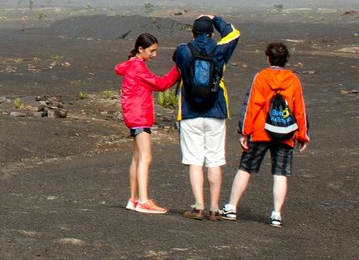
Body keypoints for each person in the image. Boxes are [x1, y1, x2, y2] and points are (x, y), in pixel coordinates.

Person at [220, 41, 308, 227]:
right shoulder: (293, 80)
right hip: (285, 132)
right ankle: (276, 213)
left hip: (260, 131)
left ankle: (231, 207)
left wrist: (244, 132)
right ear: (285, 60)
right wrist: (302, 135)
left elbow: (252, 105)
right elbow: (299, 109)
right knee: (280, 173)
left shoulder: (261, 77)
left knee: (245, 168)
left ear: (268, 58)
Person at [172, 13, 240, 219]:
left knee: (194, 160)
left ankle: (198, 206)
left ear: (193, 33)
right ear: (211, 33)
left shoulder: (183, 50)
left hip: (190, 111)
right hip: (216, 110)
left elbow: (178, 64)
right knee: (215, 160)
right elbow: (234, 34)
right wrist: (217, 19)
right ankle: (214, 207)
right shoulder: (220, 49)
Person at [114, 32, 179, 214]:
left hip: (133, 116)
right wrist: (178, 69)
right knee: (146, 157)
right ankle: (143, 201)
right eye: (152, 51)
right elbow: (160, 84)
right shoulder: (138, 68)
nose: (154, 55)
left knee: (137, 157)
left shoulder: (132, 65)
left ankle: (134, 199)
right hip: (139, 115)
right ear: (141, 49)